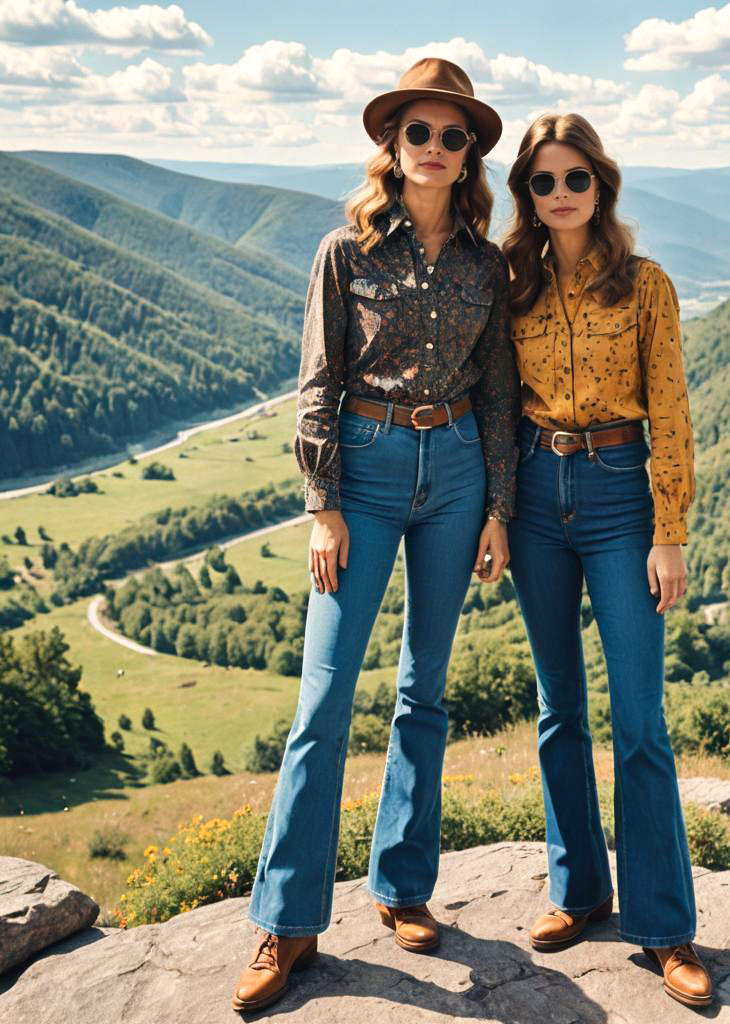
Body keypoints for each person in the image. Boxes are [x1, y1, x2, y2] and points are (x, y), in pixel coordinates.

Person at [232, 57, 518, 1013]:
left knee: (422, 693)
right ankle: (287, 922)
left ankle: (402, 888)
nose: (435, 148)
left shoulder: (487, 263)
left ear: (470, 151)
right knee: (322, 701)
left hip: (458, 474)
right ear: (391, 146)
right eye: (418, 133)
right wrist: (322, 505)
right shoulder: (344, 251)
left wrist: (496, 511)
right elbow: (318, 381)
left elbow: (498, 396)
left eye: (453, 135)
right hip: (365, 463)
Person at [500, 112, 712, 1008]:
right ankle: (578, 889)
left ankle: (663, 927)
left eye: (573, 180)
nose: (558, 195)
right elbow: (495, 409)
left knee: (640, 717)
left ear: (602, 185)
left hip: (626, 491)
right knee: (558, 708)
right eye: (541, 182)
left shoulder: (647, 286)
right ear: (526, 193)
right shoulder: (506, 283)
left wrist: (672, 532)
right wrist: (499, 514)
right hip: (538, 494)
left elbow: (672, 411)